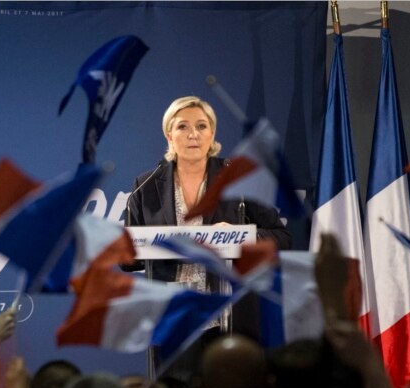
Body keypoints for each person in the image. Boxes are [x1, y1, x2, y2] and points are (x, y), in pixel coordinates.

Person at [124, 96, 292, 371]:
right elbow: (128, 259)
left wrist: (239, 237)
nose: (193, 134)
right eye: (182, 126)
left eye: (202, 126)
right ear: (169, 135)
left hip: (228, 316)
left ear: (212, 134)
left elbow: (281, 237)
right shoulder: (147, 185)